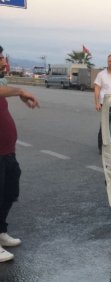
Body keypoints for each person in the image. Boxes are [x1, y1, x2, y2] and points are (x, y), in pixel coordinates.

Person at [0, 45, 40, 262]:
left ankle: (1, 232)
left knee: (9, 191)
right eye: (0, 58)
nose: (3, 62)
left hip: (7, 151)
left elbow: (3, 88)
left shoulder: (1, 82)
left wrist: (20, 95)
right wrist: (22, 91)